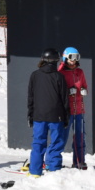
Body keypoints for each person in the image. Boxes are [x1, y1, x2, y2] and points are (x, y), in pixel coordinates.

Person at [27, 48, 69, 177]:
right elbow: (65, 99)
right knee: (56, 143)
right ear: (56, 60)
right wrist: (66, 118)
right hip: (56, 117)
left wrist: (30, 115)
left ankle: (35, 172)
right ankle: (54, 171)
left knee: (38, 143)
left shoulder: (35, 75)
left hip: (39, 116)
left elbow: (31, 97)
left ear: (42, 59)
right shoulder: (59, 76)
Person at [58, 47, 88, 169]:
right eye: (71, 58)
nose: (74, 61)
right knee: (62, 137)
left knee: (80, 137)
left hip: (79, 110)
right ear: (65, 57)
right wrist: (67, 92)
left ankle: (79, 161)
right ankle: (55, 162)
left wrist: (84, 90)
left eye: (76, 58)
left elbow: (85, 85)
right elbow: (57, 91)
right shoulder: (60, 72)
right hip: (66, 110)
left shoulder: (79, 72)